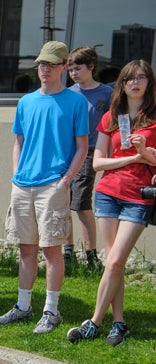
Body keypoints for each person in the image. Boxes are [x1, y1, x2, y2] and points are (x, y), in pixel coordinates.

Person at [0, 42, 88, 335]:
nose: (44, 69)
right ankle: (23, 306)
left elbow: (82, 147)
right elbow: (19, 142)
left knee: (51, 251)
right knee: (26, 249)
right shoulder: (26, 102)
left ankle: (52, 311)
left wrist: (65, 181)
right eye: (41, 64)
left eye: (50, 64)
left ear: (63, 67)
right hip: (23, 185)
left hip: (53, 185)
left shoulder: (76, 103)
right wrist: (15, 174)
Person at [67, 60, 156, 346]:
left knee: (116, 260)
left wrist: (145, 152)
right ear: (122, 84)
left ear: (149, 83)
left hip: (138, 196)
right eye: (130, 78)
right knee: (112, 264)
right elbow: (97, 163)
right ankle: (119, 324)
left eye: (141, 77)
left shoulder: (155, 118)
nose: (135, 82)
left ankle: (94, 322)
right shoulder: (110, 117)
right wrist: (133, 157)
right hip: (107, 193)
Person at [64, 46, 113, 272]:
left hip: (92, 150)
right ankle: (67, 251)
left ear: (91, 67)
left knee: (81, 201)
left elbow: (114, 126)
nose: (74, 72)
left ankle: (91, 254)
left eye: (78, 68)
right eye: (71, 69)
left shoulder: (106, 94)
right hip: (68, 151)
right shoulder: (69, 93)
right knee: (63, 199)